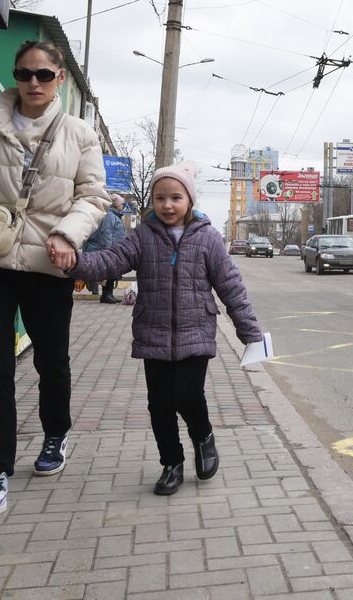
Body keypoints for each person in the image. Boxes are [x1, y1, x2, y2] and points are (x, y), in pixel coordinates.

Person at [0, 41, 109, 530]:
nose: (33, 83)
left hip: (48, 263)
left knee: (52, 361)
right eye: (24, 73)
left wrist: (67, 235)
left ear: (60, 81)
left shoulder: (79, 133)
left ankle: (55, 434)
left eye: (44, 75)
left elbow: (93, 197)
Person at [65, 163, 263, 496]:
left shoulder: (208, 238)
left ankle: (203, 436)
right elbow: (111, 260)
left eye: (175, 197)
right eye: (160, 198)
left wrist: (250, 333)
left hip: (195, 330)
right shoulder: (143, 236)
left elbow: (231, 286)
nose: (167, 205)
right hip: (153, 332)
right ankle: (171, 463)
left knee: (187, 395)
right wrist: (76, 262)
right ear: (152, 202)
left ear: (189, 200)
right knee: (159, 404)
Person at [82, 193, 128, 303]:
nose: (123, 206)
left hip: (115, 249)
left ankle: (109, 294)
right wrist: (108, 251)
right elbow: (106, 233)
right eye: (122, 204)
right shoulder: (110, 216)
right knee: (109, 272)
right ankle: (106, 295)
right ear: (116, 205)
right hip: (111, 249)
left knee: (113, 272)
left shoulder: (115, 216)